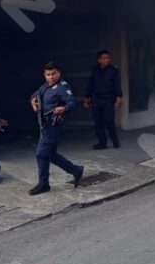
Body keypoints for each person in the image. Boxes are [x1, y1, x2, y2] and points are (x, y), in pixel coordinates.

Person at [28, 62, 84, 196]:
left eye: (53, 74)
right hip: (45, 125)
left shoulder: (62, 87)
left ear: (59, 73)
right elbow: (34, 95)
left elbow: (72, 102)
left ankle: (44, 184)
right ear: (44, 75)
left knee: (41, 153)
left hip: (54, 126)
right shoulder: (45, 86)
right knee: (49, 154)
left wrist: (63, 108)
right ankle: (76, 170)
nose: (51, 77)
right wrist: (33, 102)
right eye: (48, 74)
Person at [85, 50, 122, 149]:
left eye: (108, 58)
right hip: (97, 100)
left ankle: (115, 141)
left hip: (109, 99)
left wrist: (119, 98)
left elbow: (117, 84)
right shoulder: (95, 70)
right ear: (99, 60)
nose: (107, 60)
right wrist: (87, 98)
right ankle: (102, 143)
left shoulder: (114, 70)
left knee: (109, 121)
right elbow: (90, 84)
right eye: (104, 58)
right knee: (98, 122)